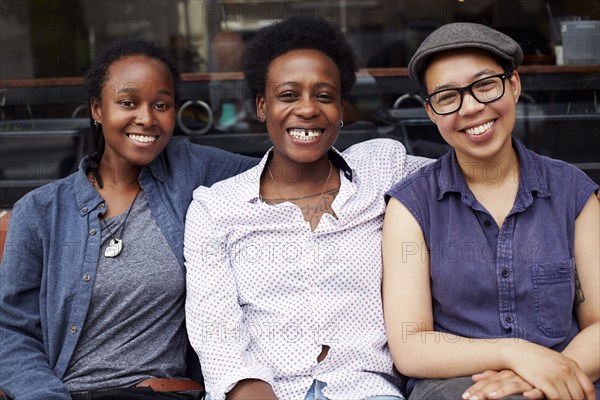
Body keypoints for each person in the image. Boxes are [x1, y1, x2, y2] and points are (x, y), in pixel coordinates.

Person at [183, 15, 432, 400]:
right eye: (288, 95)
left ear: (342, 108)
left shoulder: (382, 169)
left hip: (365, 390)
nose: (307, 109)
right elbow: (218, 337)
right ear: (262, 106)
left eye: (324, 95)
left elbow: (468, 175)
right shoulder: (216, 209)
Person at [0, 39, 257, 399]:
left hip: (164, 393)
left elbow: (278, 171)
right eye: (127, 103)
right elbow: (11, 330)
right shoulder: (41, 212)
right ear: (96, 109)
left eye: (161, 105)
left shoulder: (191, 171)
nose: (147, 118)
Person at [382, 22, 599, 400]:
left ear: (513, 85)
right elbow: (410, 344)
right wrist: (516, 354)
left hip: (571, 375)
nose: (471, 108)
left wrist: (540, 376)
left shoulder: (572, 192)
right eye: (448, 96)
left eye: (485, 86)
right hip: (458, 387)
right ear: (431, 112)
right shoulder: (412, 205)